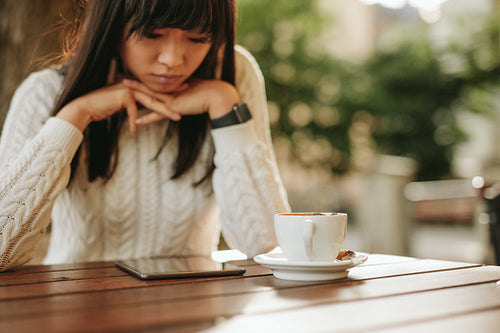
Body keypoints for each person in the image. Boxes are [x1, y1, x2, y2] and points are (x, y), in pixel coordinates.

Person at [0, 0, 290, 272]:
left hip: (193, 308)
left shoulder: (233, 76)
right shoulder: (44, 93)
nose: (173, 59)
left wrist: (225, 105)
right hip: (75, 303)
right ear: (111, 26)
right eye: (152, 34)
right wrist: (75, 116)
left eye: (198, 38)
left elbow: (268, 245)